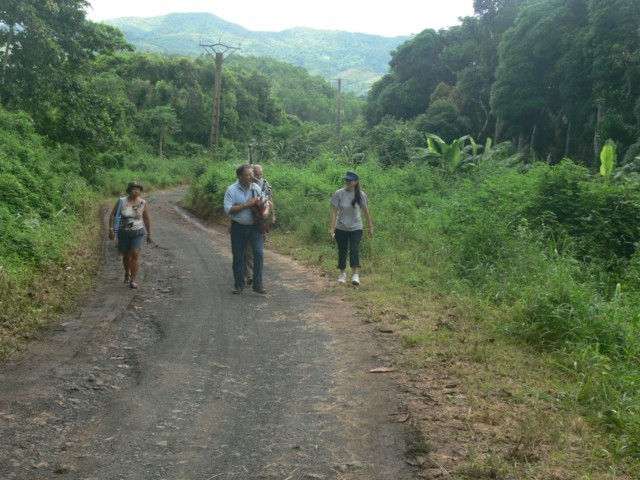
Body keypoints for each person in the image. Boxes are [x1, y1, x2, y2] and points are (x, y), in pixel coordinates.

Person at [223, 165, 267, 295]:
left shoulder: (256, 188)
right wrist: (245, 205)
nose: (251, 177)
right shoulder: (231, 190)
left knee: (258, 253)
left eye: (251, 174)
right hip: (238, 227)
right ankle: (239, 285)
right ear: (240, 176)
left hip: (255, 227)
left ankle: (257, 284)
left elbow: (265, 203)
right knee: (238, 256)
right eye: (248, 175)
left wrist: (264, 211)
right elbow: (228, 209)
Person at [329, 171, 373, 286]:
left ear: (356, 182)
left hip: (356, 227)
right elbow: (334, 211)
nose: (348, 182)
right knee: (342, 250)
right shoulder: (339, 193)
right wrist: (332, 227)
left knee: (354, 249)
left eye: (350, 180)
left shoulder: (361, 195)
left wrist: (370, 227)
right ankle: (342, 273)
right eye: (347, 180)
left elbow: (366, 212)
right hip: (341, 227)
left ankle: (355, 275)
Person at [108, 181, 152, 289]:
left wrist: (149, 233)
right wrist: (111, 229)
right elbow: (113, 214)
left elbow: (146, 218)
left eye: (138, 189)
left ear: (140, 191)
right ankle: (127, 273)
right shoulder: (122, 201)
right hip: (123, 232)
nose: (136, 190)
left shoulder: (143, 203)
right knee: (126, 255)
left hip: (138, 232)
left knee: (135, 254)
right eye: (133, 188)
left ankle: (133, 280)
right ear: (129, 190)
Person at [244, 164, 275, 285]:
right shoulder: (245, 183)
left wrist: (272, 215)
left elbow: (269, 201)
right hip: (246, 221)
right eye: (256, 174)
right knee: (247, 250)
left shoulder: (265, 184)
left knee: (258, 250)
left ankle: (255, 277)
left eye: (260, 174)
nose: (258, 177)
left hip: (260, 221)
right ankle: (250, 275)